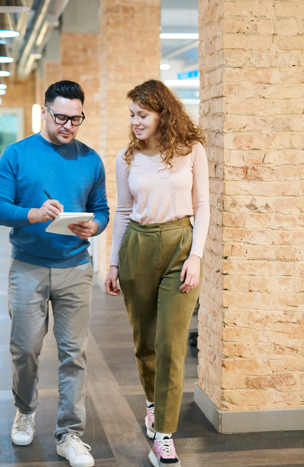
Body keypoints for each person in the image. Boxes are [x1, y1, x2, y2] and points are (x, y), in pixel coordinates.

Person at [0, 80, 109, 467]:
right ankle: (24, 410)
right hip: (28, 268)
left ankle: (69, 434)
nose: (69, 126)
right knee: (25, 349)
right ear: (44, 112)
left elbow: (102, 208)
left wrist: (96, 226)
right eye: (61, 117)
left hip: (75, 267)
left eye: (76, 119)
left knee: (75, 355)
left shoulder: (90, 159)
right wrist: (34, 214)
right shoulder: (16, 154)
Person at [105, 80, 209, 467]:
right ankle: (153, 402)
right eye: (131, 115)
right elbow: (123, 213)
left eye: (142, 115)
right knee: (144, 341)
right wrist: (115, 262)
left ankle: (163, 435)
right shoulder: (126, 157)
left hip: (181, 245)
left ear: (163, 113)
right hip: (138, 247)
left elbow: (204, 207)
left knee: (171, 344)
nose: (135, 122)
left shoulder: (191, 150)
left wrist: (196, 257)